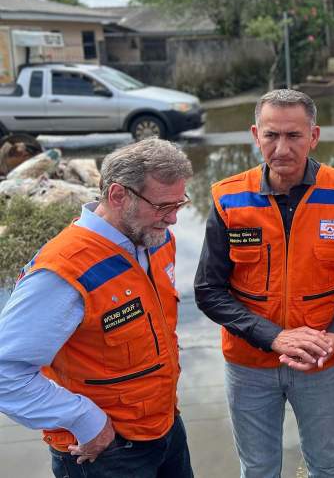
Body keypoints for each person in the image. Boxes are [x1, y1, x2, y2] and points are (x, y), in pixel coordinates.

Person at [194, 89, 334, 478]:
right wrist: (273, 337)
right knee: (259, 469)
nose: (282, 148)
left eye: (294, 136)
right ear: (255, 134)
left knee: (327, 465)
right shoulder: (228, 198)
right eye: (271, 135)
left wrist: (333, 337)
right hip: (248, 365)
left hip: (322, 362)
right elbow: (208, 290)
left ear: (314, 136)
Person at [0, 138, 194, 478]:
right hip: (106, 451)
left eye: (180, 203)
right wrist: (87, 421)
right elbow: (6, 373)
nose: (174, 219)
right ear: (118, 195)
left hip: (164, 429)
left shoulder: (155, 239)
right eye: (164, 206)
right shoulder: (62, 272)